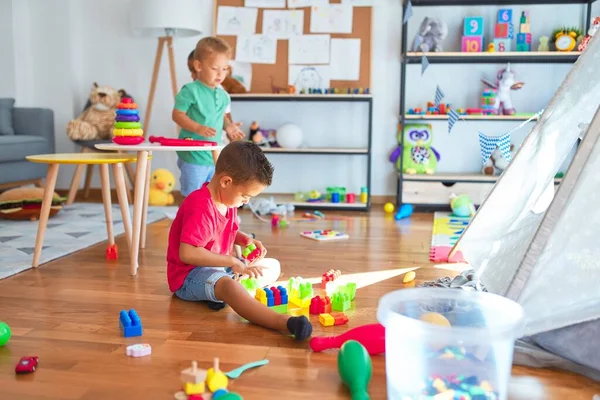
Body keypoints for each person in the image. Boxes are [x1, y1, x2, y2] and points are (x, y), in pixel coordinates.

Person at [166, 141, 313, 341]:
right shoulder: (200, 206)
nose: (247, 201)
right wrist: (233, 262)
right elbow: (188, 253)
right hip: (188, 276)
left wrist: (244, 240)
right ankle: (283, 322)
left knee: (271, 266)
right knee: (230, 286)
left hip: (220, 268)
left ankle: (224, 294)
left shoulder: (227, 199)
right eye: (245, 196)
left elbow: (222, 230)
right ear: (226, 181)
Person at [172, 37, 244, 197]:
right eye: (215, 68)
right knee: (192, 196)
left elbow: (221, 117)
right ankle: (188, 222)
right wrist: (198, 128)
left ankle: (208, 222)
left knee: (212, 196)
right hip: (193, 154)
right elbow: (177, 115)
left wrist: (229, 127)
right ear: (198, 66)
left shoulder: (223, 95)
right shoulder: (190, 90)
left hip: (215, 156)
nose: (221, 74)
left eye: (225, 69)